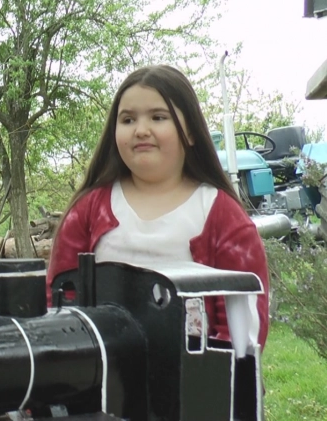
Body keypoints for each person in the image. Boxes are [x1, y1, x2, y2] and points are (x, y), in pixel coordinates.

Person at [46, 65, 269, 350]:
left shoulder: (222, 215)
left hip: (194, 377)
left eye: (158, 117)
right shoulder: (88, 210)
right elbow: (57, 304)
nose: (141, 130)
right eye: (128, 120)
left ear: (191, 132)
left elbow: (242, 328)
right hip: (101, 374)